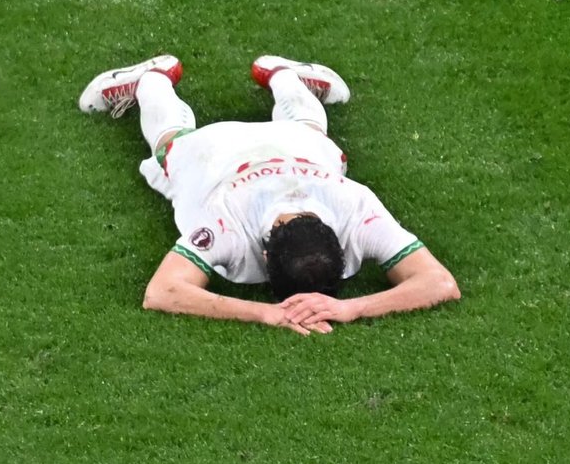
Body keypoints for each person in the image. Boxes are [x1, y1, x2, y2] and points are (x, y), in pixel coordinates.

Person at [78, 54, 459, 334]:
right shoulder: (227, 223)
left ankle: (284, 75)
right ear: (262, 254)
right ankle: (151, 79)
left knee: (309, 131)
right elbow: (161, 292)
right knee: (170, 145)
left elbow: (442, 284)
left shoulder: (356, 209)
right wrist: (265, 313)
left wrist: (350, 308)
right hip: (214, 152)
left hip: (292, 147)